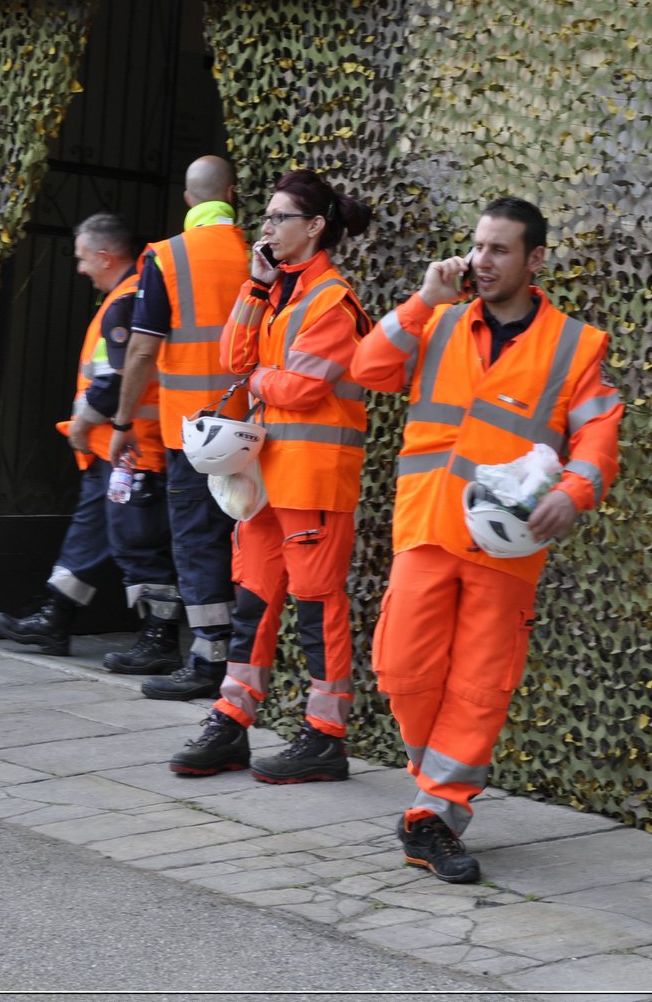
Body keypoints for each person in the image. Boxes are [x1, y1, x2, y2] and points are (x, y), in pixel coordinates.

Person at [350, 197, 623, 883]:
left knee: (479, 686)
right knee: (400, 667)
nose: (482, 260)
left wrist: (573, 490)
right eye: (478, 246)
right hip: (429, 524)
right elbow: (367, 368)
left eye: (500, 249)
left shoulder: (574, 344)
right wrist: (420, 300)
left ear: (535, 260)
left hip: (509, 545)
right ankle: (432, 791)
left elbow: (598, 433)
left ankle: (434, 814)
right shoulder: (437, 320)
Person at [168, 169, 373, 782]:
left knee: (316, 605)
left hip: (312, 480)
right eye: (267, 216)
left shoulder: (335, 299)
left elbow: (302, 388)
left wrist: (256, 377)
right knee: (253, 598)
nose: (266, 226)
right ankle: (232, 720)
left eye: (279, 217)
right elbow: (233, 357)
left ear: (314, 227)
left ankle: (325, 736)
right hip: (266, 480)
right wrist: (254, 290)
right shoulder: (278, 289)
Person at [0, 213, 180, 663]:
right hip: (112, 451)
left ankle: (161, 639)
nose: (78, 269)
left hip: (131, 449)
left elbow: (114, 378)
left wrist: (80, 425)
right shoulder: (125, 296)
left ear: (104, 255)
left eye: (81, 259)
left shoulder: (128, 299)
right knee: (90, 534)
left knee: (137, 541)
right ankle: (55, 618)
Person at [106, 156, 251, 699]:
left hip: (191, 434)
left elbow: (142, 349)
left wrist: (123, 421)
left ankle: (209, 658)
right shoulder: (260, 255)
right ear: (231, 196)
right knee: (246, 542)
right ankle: (245, 658)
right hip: (254, 429)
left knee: (197, 544)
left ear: (189, 202)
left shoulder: (166, 258)